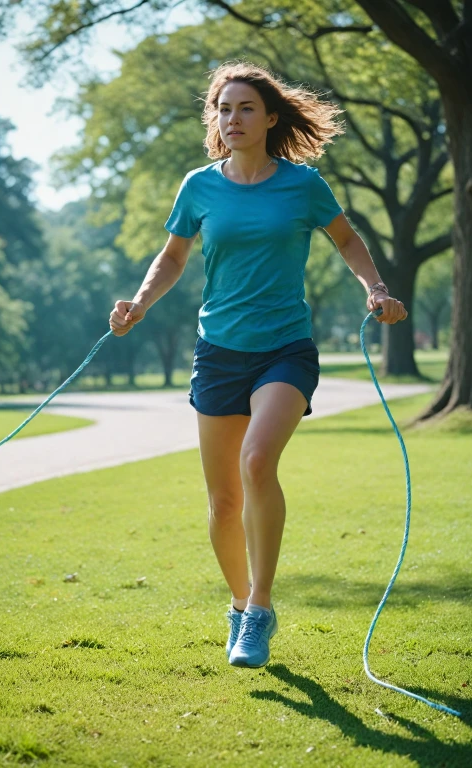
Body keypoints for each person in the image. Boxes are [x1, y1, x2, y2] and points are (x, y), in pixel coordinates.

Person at [109, 61, 407, 668]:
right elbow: (171, 258)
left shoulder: (302, 185)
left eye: (245, 108)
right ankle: (241, 606)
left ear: (271, 118)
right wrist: (139, 303)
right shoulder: (199, 187)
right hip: (218, 351)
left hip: (285, 348)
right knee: (222, 502)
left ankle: (262, 609)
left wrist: (374, 287)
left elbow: (346, 239)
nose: (233, 119)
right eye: (224, 109)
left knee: (256, 460)